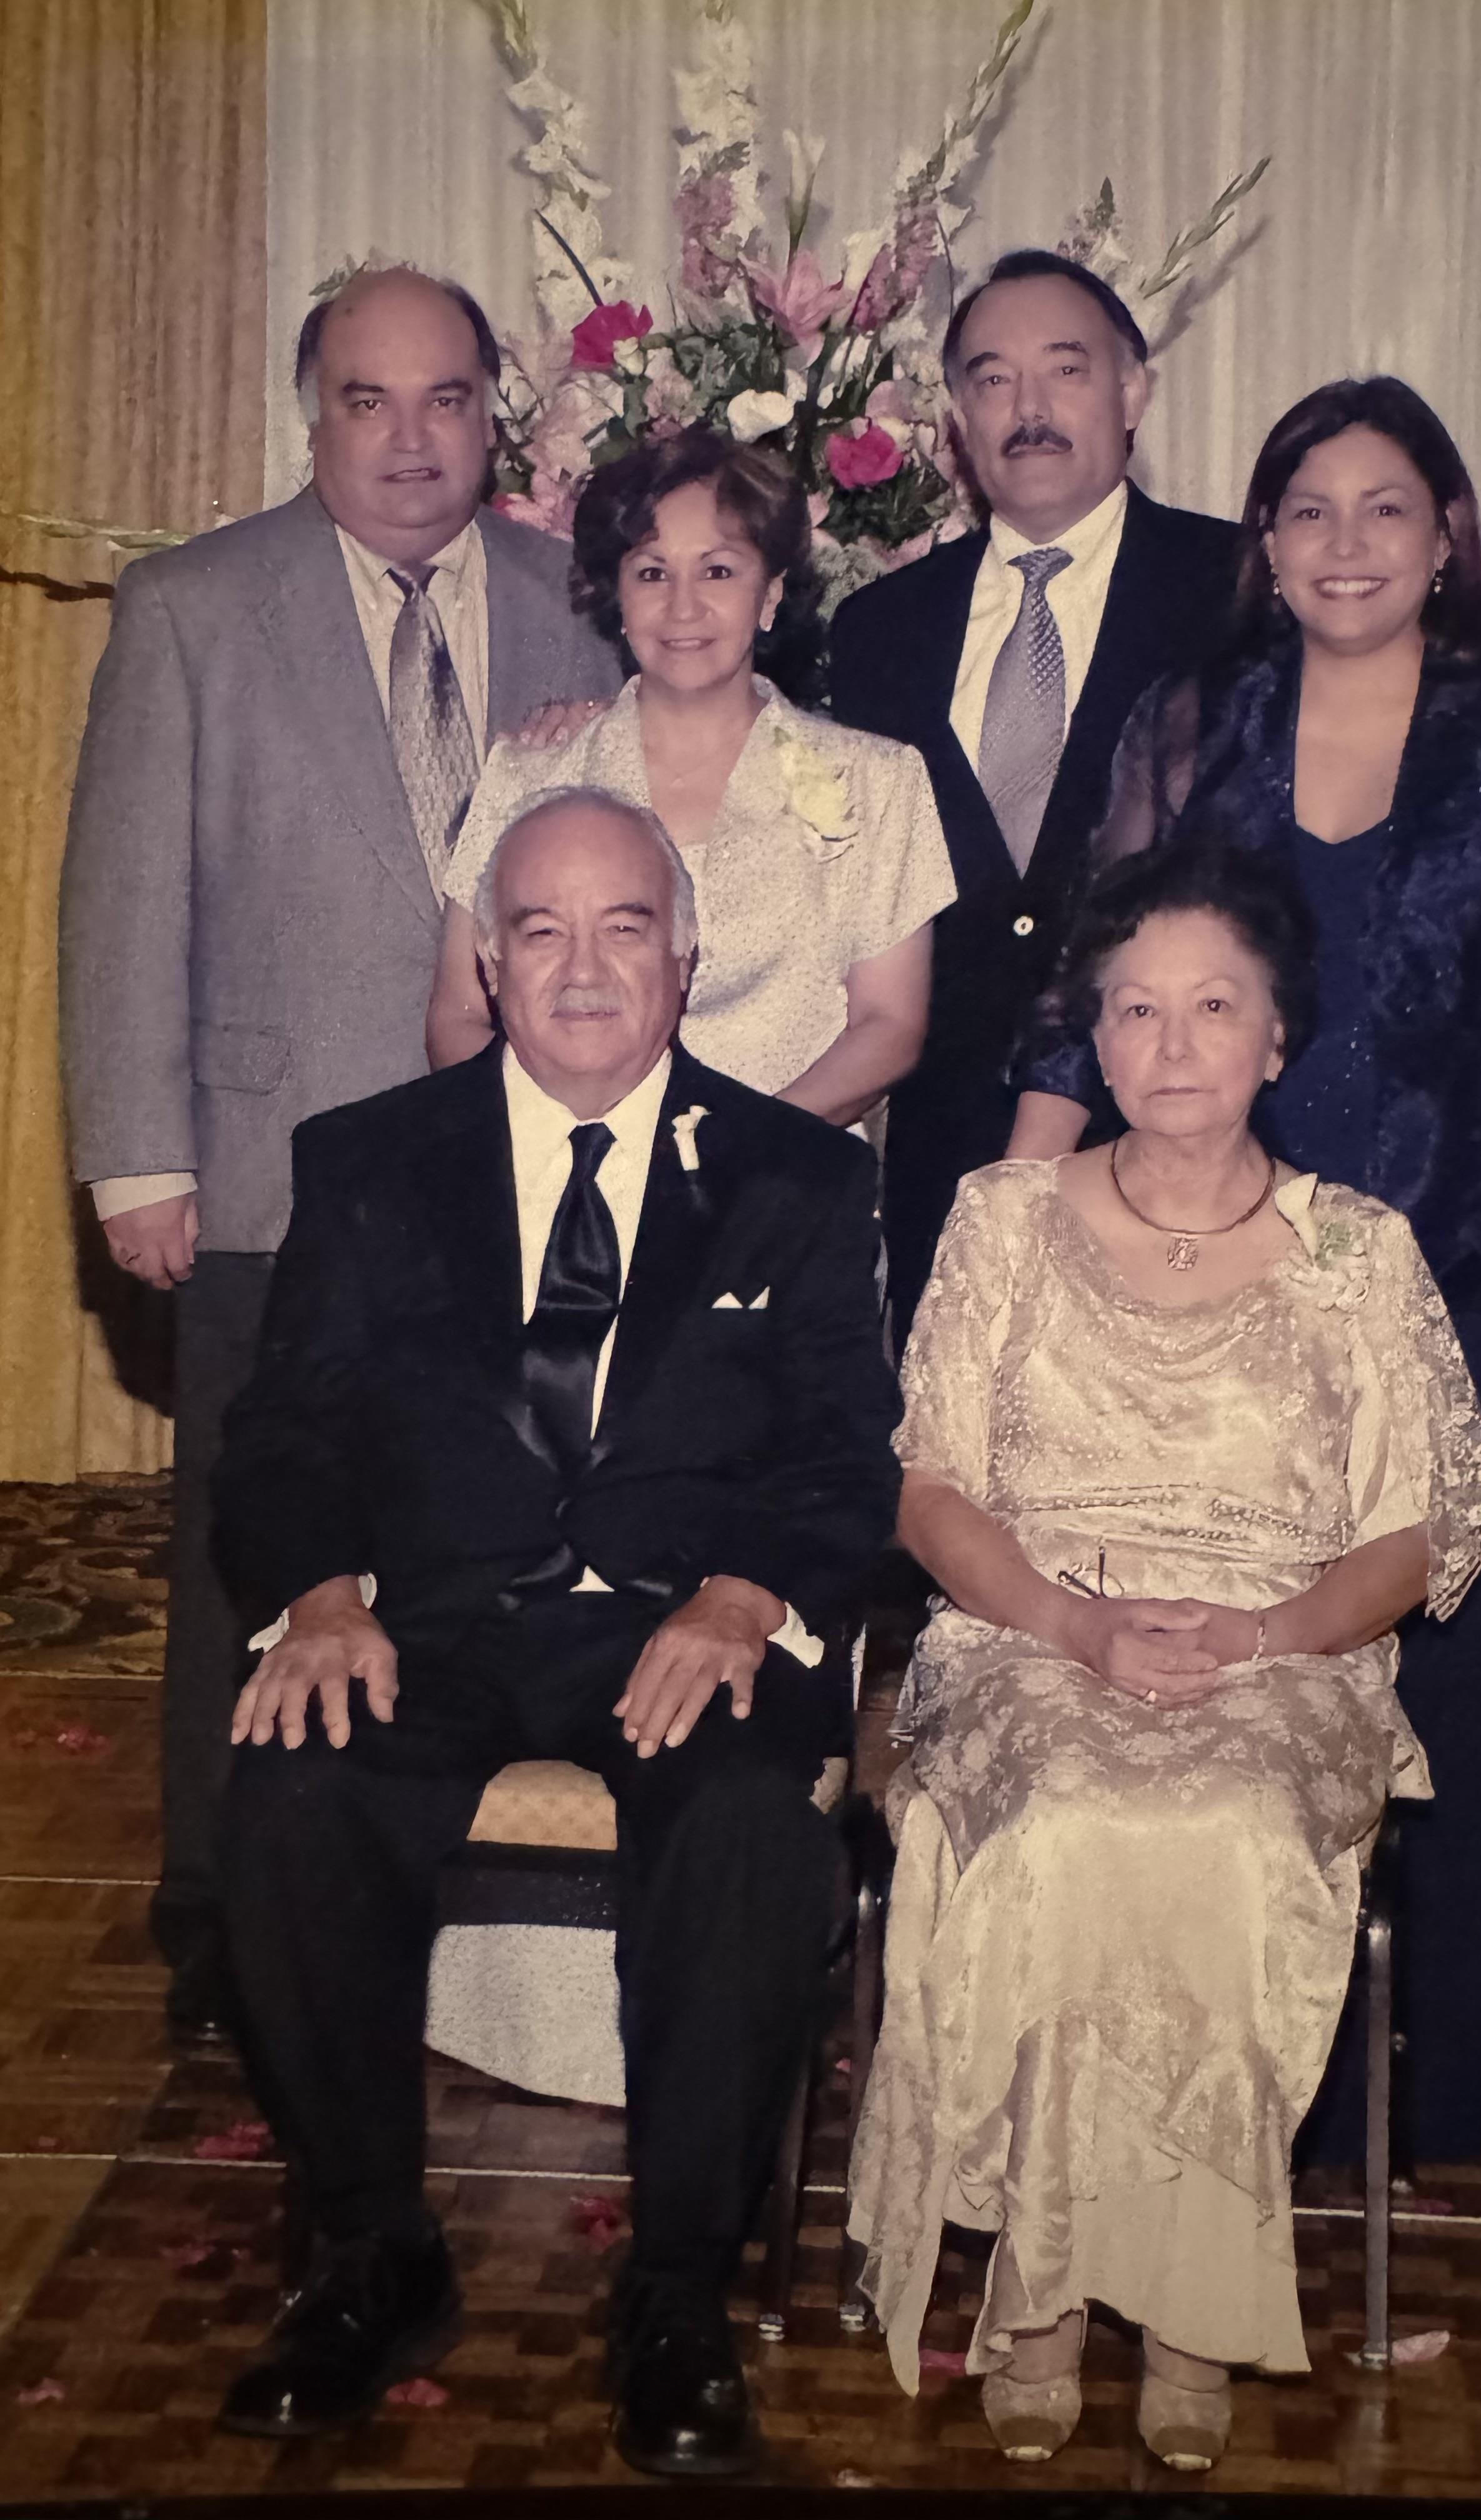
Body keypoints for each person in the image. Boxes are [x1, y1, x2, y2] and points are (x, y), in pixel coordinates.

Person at [1005, 376, 1481, 2166]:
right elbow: (1088, 985)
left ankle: (1433, 2104)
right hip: (1229, 1287)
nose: (1347, 542)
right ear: (1266, 543)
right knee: (1257, 1687)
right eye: (1309, 509)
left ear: (1446, 539)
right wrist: (1019, 1214)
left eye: (1387, 509)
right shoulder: (1191, 720)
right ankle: (1256, 2082)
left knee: (1472, 1686)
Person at [208, 788, 900, 2469]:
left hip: (682, 1622)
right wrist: (320, 1597)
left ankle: (677, 2294)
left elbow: (845, 1457)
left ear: (685, 957)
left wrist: (743, 1593)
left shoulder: (800, 1178)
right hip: (428, 1620)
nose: (583, 968)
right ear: (491, 968)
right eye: (539, 931)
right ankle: (375, 2254)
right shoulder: (367, 1162)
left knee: (748, 1823)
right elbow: (283, 1436)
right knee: (293, 1793)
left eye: (623, 928)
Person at [847, 836, 1481, 2468]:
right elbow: (929, 1492)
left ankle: (1193, 2308)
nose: (1172, 1042)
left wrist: (1264, 1631)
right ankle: (1046, 2295)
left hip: (1281, 1651)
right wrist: (1074, 1623)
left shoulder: (1360, 1250)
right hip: (1028, 1631)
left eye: (1214, 1006)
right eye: (1133, 1009)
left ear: (1277, 1037)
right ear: (1095, 1037)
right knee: (1070, 1819)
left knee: (1218, 1830)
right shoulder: (1002, 1218)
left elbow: (1415, 1536)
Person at [57, 266, 619, 2043]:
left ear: (493, 417)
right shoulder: (193, 607)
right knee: (259, 1544)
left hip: (510, 1176)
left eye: (447, 399)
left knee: (466, 1542)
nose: (410, 439)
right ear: (314, 415)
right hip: (264, 1169)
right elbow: (123, 894)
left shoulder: (575, 604)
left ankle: (428, 1905)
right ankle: (220, 1913)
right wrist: (136, 1155)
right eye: (368, 402)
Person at [828, 250, 1481, 1337]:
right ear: (955, 417)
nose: (1029, 407)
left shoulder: (1241, 587)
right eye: (992, 378)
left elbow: (1449, 698)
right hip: (990, 1166)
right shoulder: (876, 629)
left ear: (1133, 393)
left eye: (1066, 369)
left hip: (1298, 1194)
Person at [427, 424, 954, 1128]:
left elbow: (889, 1027)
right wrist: (566, 1146)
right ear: (617, 597)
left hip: (786, 1169)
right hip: (571, 1170)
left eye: (718, 572)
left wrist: (735, 1155)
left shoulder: (877, 783)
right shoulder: (528, 777)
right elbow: (458, 1014)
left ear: (770, 596)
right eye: (652, 574)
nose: (682, 607)